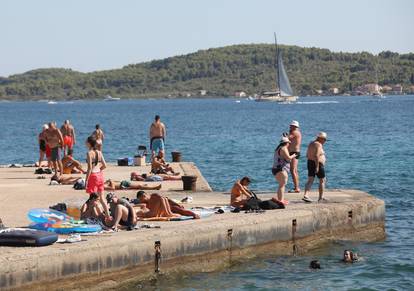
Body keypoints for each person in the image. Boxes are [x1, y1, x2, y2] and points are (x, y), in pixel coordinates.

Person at [85, 136, 111, 221]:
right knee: (102, 198)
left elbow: (89, 168)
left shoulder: (89, 153)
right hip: (100, 175)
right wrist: (99, 170)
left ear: (89, 143)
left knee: (92, 199)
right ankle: (108, 216)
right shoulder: (99, 152)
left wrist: (86, 180)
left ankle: (93, 216)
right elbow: (105, 165)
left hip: (93, 176)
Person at [302, 132, 328, 203]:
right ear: (320, 138)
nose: (325, 141)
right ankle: (320, 198)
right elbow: (316, 156)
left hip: (310, 162)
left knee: (310, 179)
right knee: (322, 180)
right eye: (324, 139)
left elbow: (307, 155)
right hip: (317, 164)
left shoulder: (311, 143)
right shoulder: (318, 144)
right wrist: (317, 167)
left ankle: (306, 195)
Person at [271, 136, 297, 206]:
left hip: (276, 169)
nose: (289, 144)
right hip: (281, 169)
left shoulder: (278, 148)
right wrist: (294, 155)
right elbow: (288, 158)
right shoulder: (284, 148)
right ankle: (281, 200)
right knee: (282, 185)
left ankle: (281, 199)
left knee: (281, 185)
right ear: (287, 143)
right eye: (289, 143)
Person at [288, 120, 302, 193]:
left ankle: (296, 188)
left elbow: (287, 138)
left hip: (294, 153)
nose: (290, 127)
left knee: (293, 170)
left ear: (295, 126)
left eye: (291, 126)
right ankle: (297, 187)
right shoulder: (298, 132)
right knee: (295, 171)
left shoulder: (294, 132)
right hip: (296, 152)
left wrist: (286, 134)